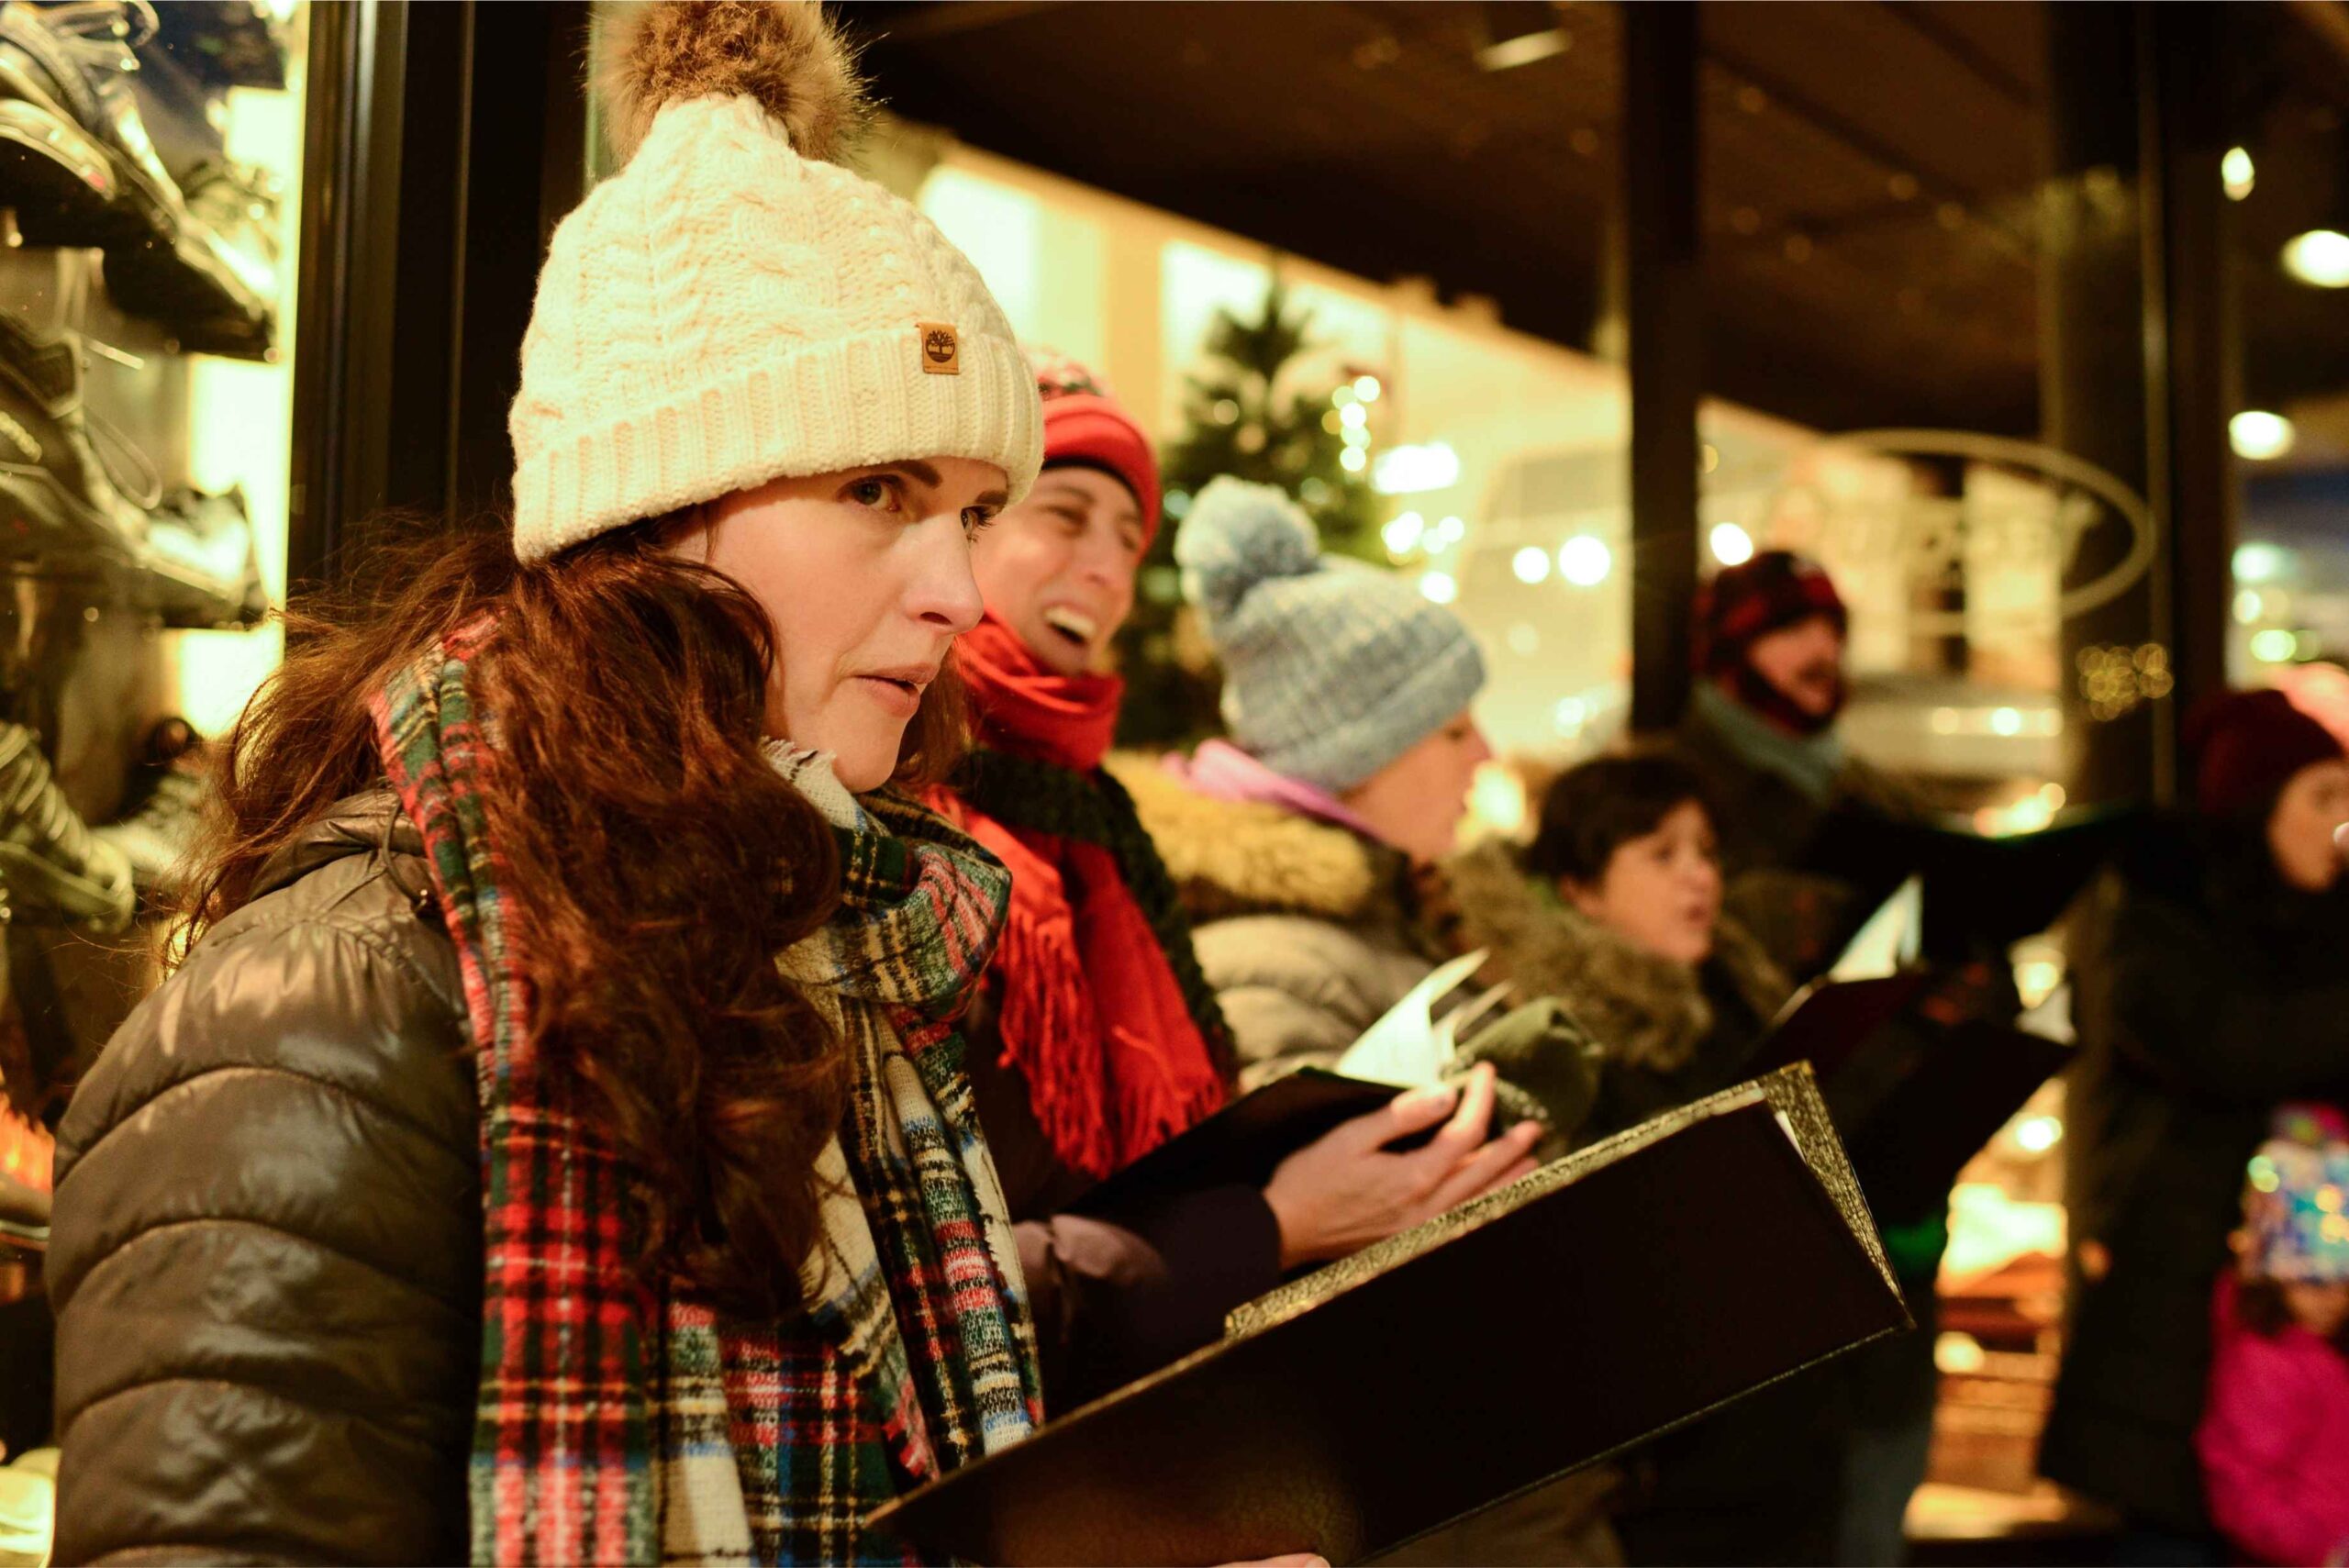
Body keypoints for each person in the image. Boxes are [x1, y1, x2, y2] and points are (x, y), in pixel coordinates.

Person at [48, 6, 1063, 1561]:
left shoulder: (831, 943)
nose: (959, 591)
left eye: (977, 508)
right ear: (654, 505)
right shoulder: (327, 1010)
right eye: (878, 488)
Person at [937, 354, 1532, 1407]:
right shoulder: (906, 815)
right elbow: (920, 1288)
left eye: (1129, 539)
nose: (1109, 569)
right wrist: (1271, 1223)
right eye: (1065, 513)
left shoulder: (1098, 839)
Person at [2043, 688, 2349, 1562]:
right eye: (2321, 797)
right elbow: (2234, 1043)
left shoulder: (2331, 930)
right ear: (2258, 807)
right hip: (2174, 1348)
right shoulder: (2159, 915)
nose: (2342, 824)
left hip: (2304, 1373)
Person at [1119, 476, 1506, 1081]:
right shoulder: (1268, 964)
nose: (1488, 754)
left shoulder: (1385, 909)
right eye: (1454, 732)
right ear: (1352, 755)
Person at [1442, 750, 1792, 1143]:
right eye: (1663, 855)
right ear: (1582, 890)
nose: (1703, 876)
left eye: (1707, 852)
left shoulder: (1735, 975)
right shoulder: (1572, 1050)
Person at [1670, 549, 1917, 978]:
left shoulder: (1870, 784)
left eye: (1833, 630)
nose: (1825, 649)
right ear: (1731, 652)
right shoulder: (1673, 783)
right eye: (1794, 629)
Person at [2195, 1109, 2349, 1568]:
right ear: (2273, 1280)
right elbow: (2241, 1481)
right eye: (2312, 1284)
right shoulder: (2264, 1362)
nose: (2331, 1301)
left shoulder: (2330, 1350)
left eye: (2344, 1285)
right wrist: (2321, 1551)